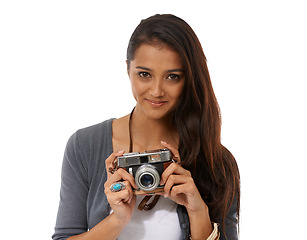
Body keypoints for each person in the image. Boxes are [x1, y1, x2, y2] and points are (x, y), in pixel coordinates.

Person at [52, 14, 240, 240]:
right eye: (144, 74)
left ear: (189, 79)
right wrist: (117, 219)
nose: (156, 91)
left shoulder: (217, 160)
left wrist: (197, 210)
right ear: (127, 69)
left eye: (172, 76)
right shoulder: (85, 146)